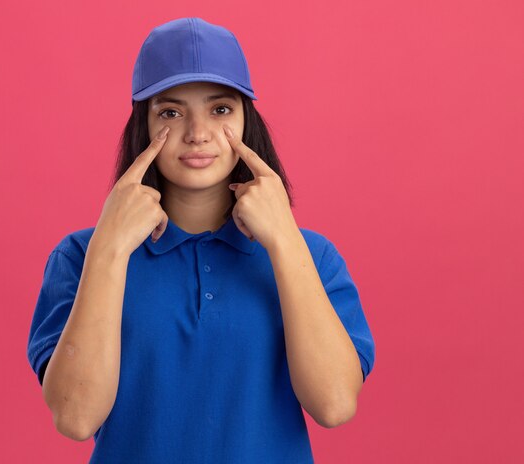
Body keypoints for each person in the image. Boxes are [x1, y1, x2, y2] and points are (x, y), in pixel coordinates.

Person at [27, 17, 375, 463]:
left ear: (248, 121)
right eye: (170, 112)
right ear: (143, 127)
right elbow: (75, 418)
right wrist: (111, 249)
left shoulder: (313, 256)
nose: (197, 133)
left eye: (221, 109)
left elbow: (334, 404)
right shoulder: (80, 256)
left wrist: (284, 241)